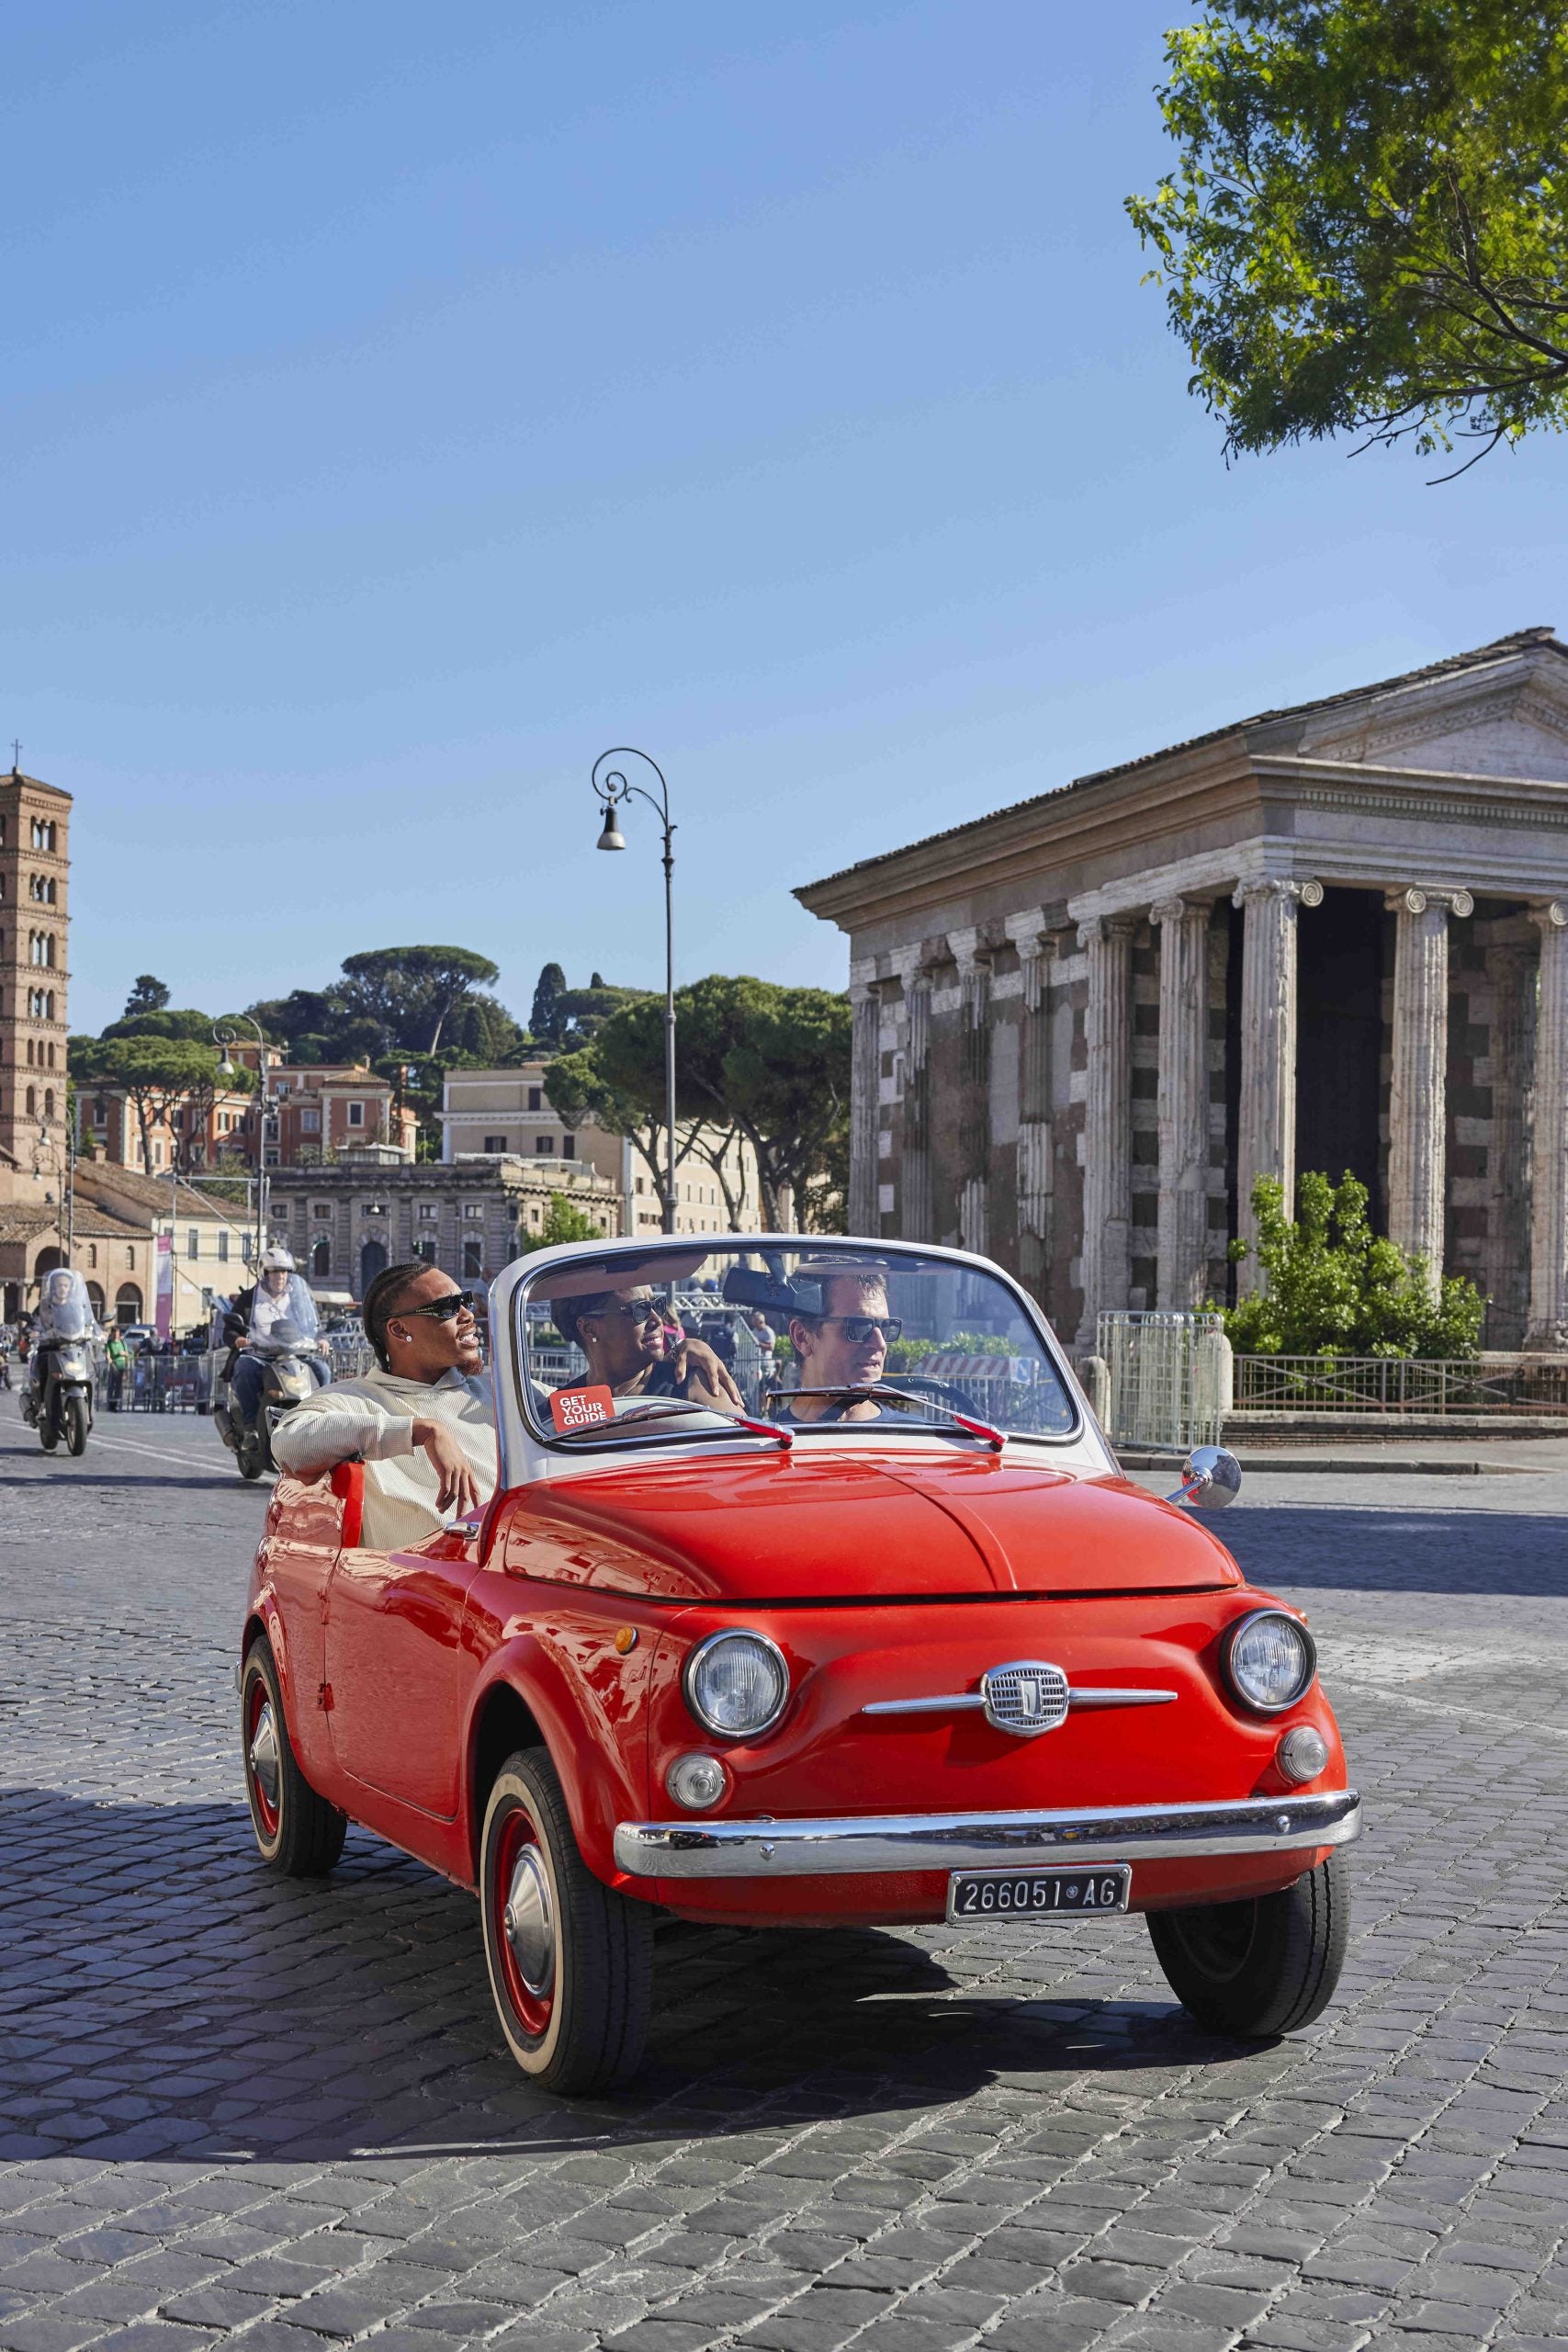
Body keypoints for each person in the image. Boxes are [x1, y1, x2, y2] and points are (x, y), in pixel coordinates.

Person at [269, 1262, 498, 1549]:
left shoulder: (500, 1390)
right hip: (425, 1580)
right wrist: (420, 1431)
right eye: (448, 1308)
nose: (468, 1315)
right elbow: (287, 1443)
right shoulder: (357, 1400)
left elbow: (569, 1413)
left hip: (523, 1561)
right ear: (400, 1330)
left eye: (465, 1301)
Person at [551, 1286, 745, 1412]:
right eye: (639, 1310)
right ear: (588, 1328)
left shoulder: (690, 1385)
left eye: (657, 1305)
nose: (657, 1320)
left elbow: (753, 1451)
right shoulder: (563, 1407)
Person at [222, 1245, 330, 1432]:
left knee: (322, 1370)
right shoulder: (248, 1299)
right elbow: (230, 1329)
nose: (280, 1276)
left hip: (295, 1354)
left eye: (284, 1271)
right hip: (261, 1355)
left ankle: (322, 1421)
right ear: (264, 1273)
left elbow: (314, 1325)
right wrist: (238, 1339)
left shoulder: (297, 1299)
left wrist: (321, 1339)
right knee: (243, 1367)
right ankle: (250, 1425)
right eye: (274, 1271)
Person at [774, 1268, 901, 1423]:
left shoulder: (920, 1439)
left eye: (886, 1327)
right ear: (802, 1337)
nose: (880, 1344)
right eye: (858, 1326)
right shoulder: (763, 1443)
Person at [104, 1325, 130, 1410]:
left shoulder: (122, 1342)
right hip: (114, 1367)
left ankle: (117, 1404)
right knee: (112, 1386)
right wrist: (110, 1361)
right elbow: (108, 1355)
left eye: (117, 1334)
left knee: (119, 1387)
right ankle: (110, 1404)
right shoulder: (109, 1343)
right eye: (114, 1334)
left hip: (122, 1367)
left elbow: (127, 1354)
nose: (116, 1335)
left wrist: (123, 1353)